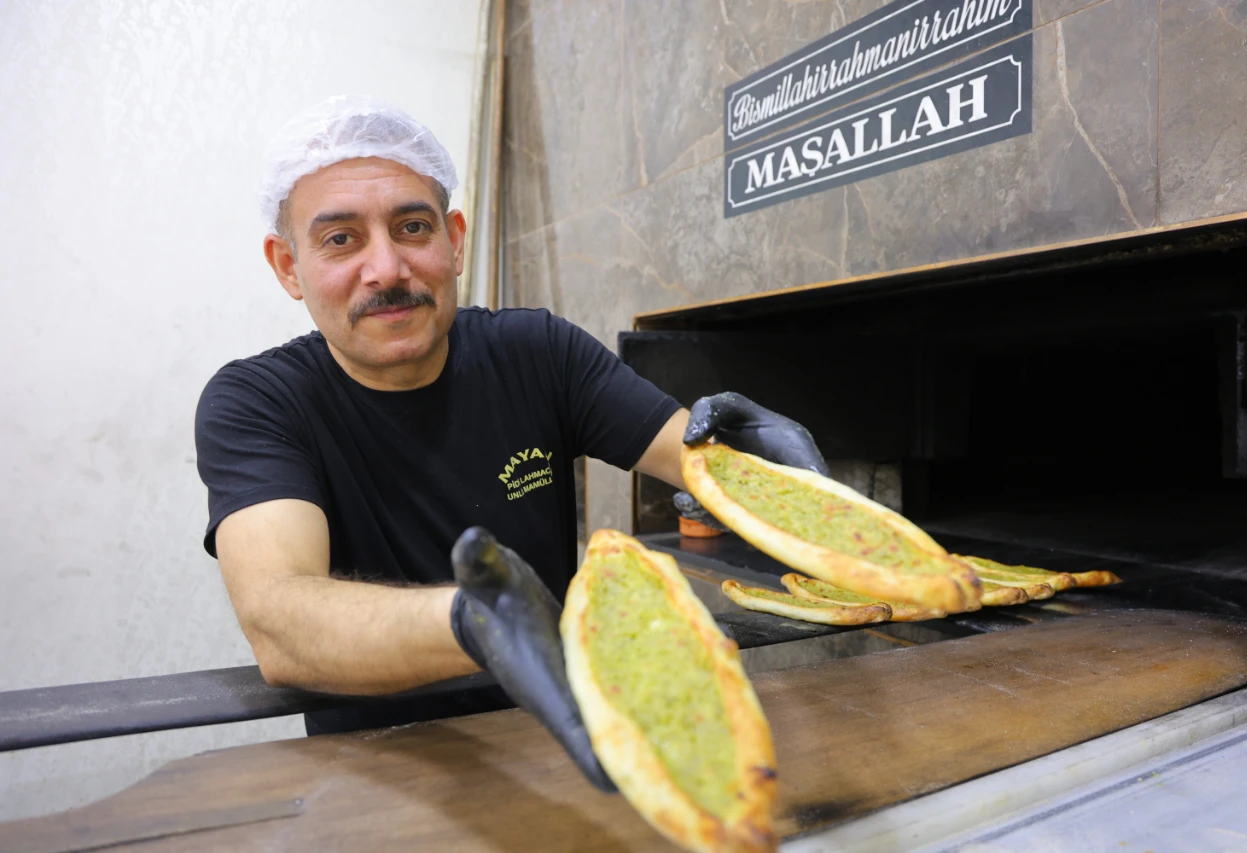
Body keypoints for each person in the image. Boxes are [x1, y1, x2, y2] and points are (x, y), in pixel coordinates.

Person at [195, 95, 827, 791]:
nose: (386, 269)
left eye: (412, 227)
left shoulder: (536, 352)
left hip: (568, 755)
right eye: (340, 239)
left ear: (455, 239)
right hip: (379, 780)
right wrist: (474, 622)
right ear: (288, 266)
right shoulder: (258, 403)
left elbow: (697, 454)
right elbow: (281, 621)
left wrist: (773, 477)